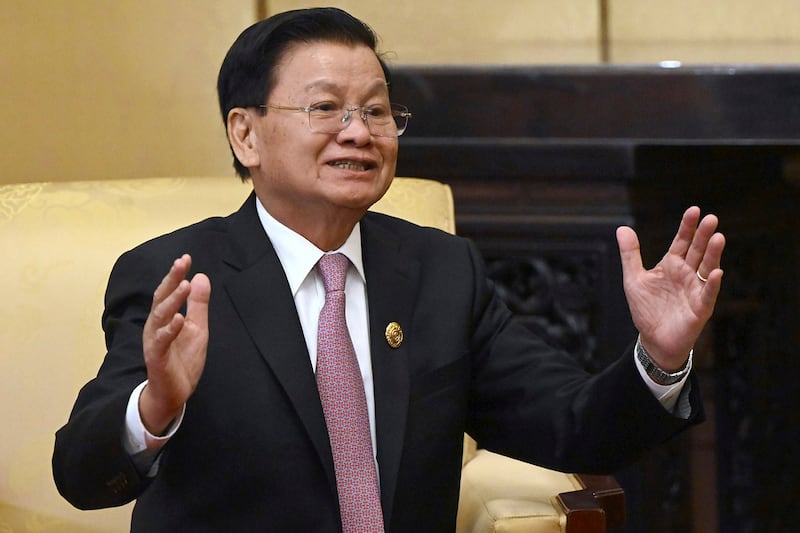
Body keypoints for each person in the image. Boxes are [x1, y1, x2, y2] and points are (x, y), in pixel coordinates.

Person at [52, 7, 725, 532]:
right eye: (326, 108)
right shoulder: (180, 278)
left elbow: (570, 425)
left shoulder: (439, 270)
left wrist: (660, 361)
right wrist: (156, 407)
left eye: (376, 110)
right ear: (245, 133)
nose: (359, 131)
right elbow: (80, 472)